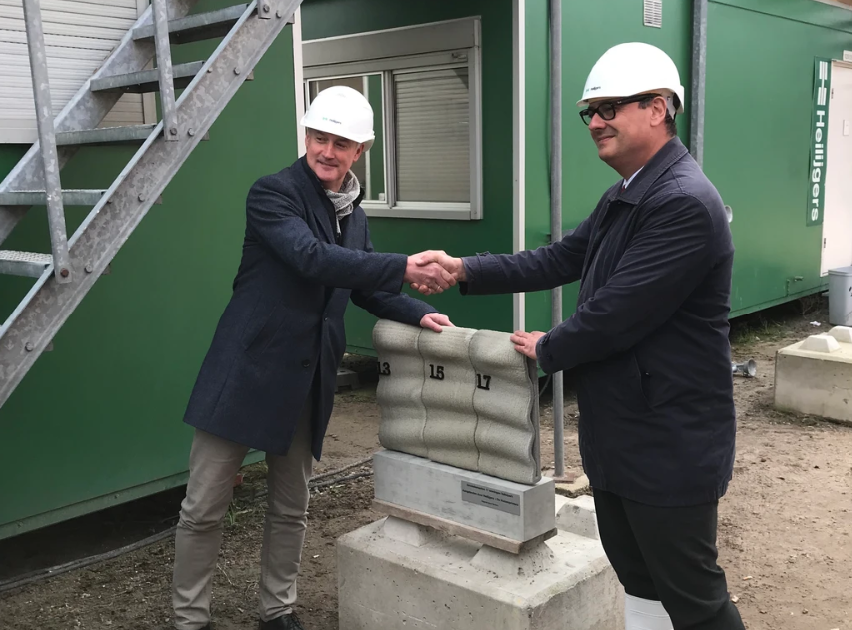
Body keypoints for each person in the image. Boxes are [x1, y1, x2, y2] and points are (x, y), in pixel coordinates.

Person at [416, 43, 744, 630]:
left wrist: (548, 348)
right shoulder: (627, 194)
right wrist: (466, 268)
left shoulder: (684, 203)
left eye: (610, 107)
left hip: (668, 444)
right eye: (588, 111)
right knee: (638, 577)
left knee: (695, 599)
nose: (595, 121)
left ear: (660, 108)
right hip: (624, 433)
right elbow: (559, 258)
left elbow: (619, 313)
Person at [172, 85, 454, 630]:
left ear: (360, 151)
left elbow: (363, 279)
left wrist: (416, 311)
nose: (327, 150)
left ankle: (277, 611)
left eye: (341, 143)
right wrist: (403, 266)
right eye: (320, 137)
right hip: (245, 368)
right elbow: (312, 258)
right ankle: (190, 619)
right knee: (203, 506)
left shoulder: (355, 213)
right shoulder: (273, 193)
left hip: (307, 375)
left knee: (291, 505)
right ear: (306, 137)